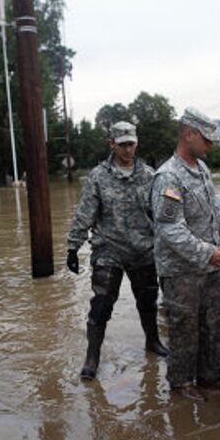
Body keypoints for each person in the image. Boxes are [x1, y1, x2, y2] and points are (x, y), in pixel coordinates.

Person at [150, 107, 220, 400]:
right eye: (206, 139)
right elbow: (169, 228)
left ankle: (209, 378)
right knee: (184, 327)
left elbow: (211, 210)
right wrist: (207, 252)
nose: (210, 145)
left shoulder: (202, 169)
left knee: (215, 319)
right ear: (188, 135)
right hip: (181, 270)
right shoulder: (168, 177)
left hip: (209, 264)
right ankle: (180, 384)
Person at [66, 121, 169, 380]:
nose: (126, 149)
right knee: (100, 305)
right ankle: (92, 358)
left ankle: (152, 341)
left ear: (136, 143)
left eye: (130, 143)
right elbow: (85, 213)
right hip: (108, 249)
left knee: (148, 300)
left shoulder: (149, 175)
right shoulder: (98, 176)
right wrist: (73, 246)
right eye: (121, 144)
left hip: (143, 249)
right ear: (112, 144)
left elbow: (161, 215)